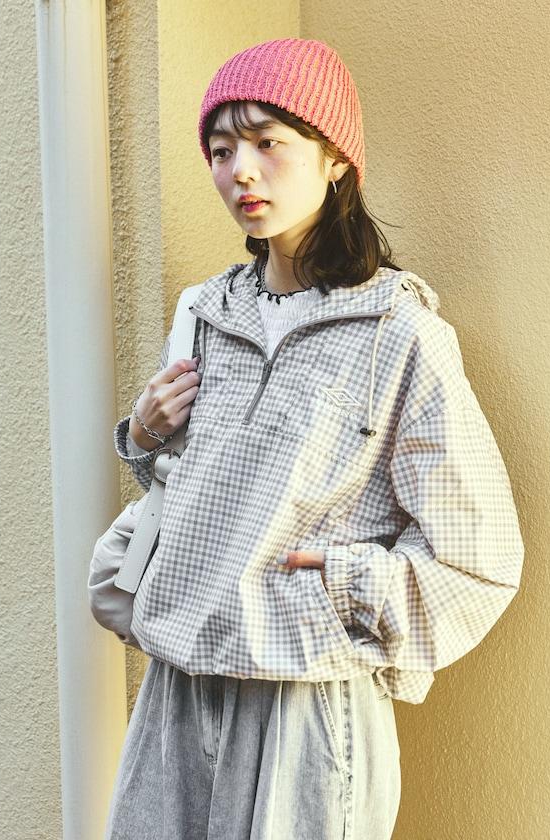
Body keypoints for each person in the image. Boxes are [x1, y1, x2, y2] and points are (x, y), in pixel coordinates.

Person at [102, 38, 525, 840]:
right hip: (179, 693)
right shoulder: (204, 315)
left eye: (268, 142)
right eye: (221, 150)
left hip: (306, 699)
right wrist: (146, 437)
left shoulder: (400, 333)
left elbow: (480, 558)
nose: (241, 171)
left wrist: (344, 584)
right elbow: (204, 494)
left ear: (335, 158)